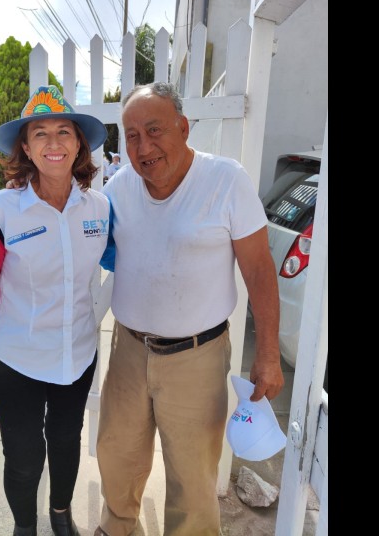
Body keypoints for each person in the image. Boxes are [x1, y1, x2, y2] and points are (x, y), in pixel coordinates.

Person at [94, 82, 284, 536]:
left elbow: (259, 270)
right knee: (117, 457)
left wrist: (268, 354)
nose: (143, 146)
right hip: (129, 349)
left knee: (193, 478)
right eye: (132, 136)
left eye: (154, 130)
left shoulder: (226, 180)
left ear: (182, 127)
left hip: (197, 356)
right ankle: (117, 528)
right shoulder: (118, 188)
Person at [0, 85, 111, 536]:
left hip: (76, 355)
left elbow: (124, 259)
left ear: (79, 143)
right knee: (25, 458)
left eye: (64, 131)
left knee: (65, 443)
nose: (53, 142)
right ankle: (24, 527)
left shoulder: (100, 208)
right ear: (25, 148)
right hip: (16, 361)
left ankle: (61, 515)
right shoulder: (1, 210)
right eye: (40, 133)